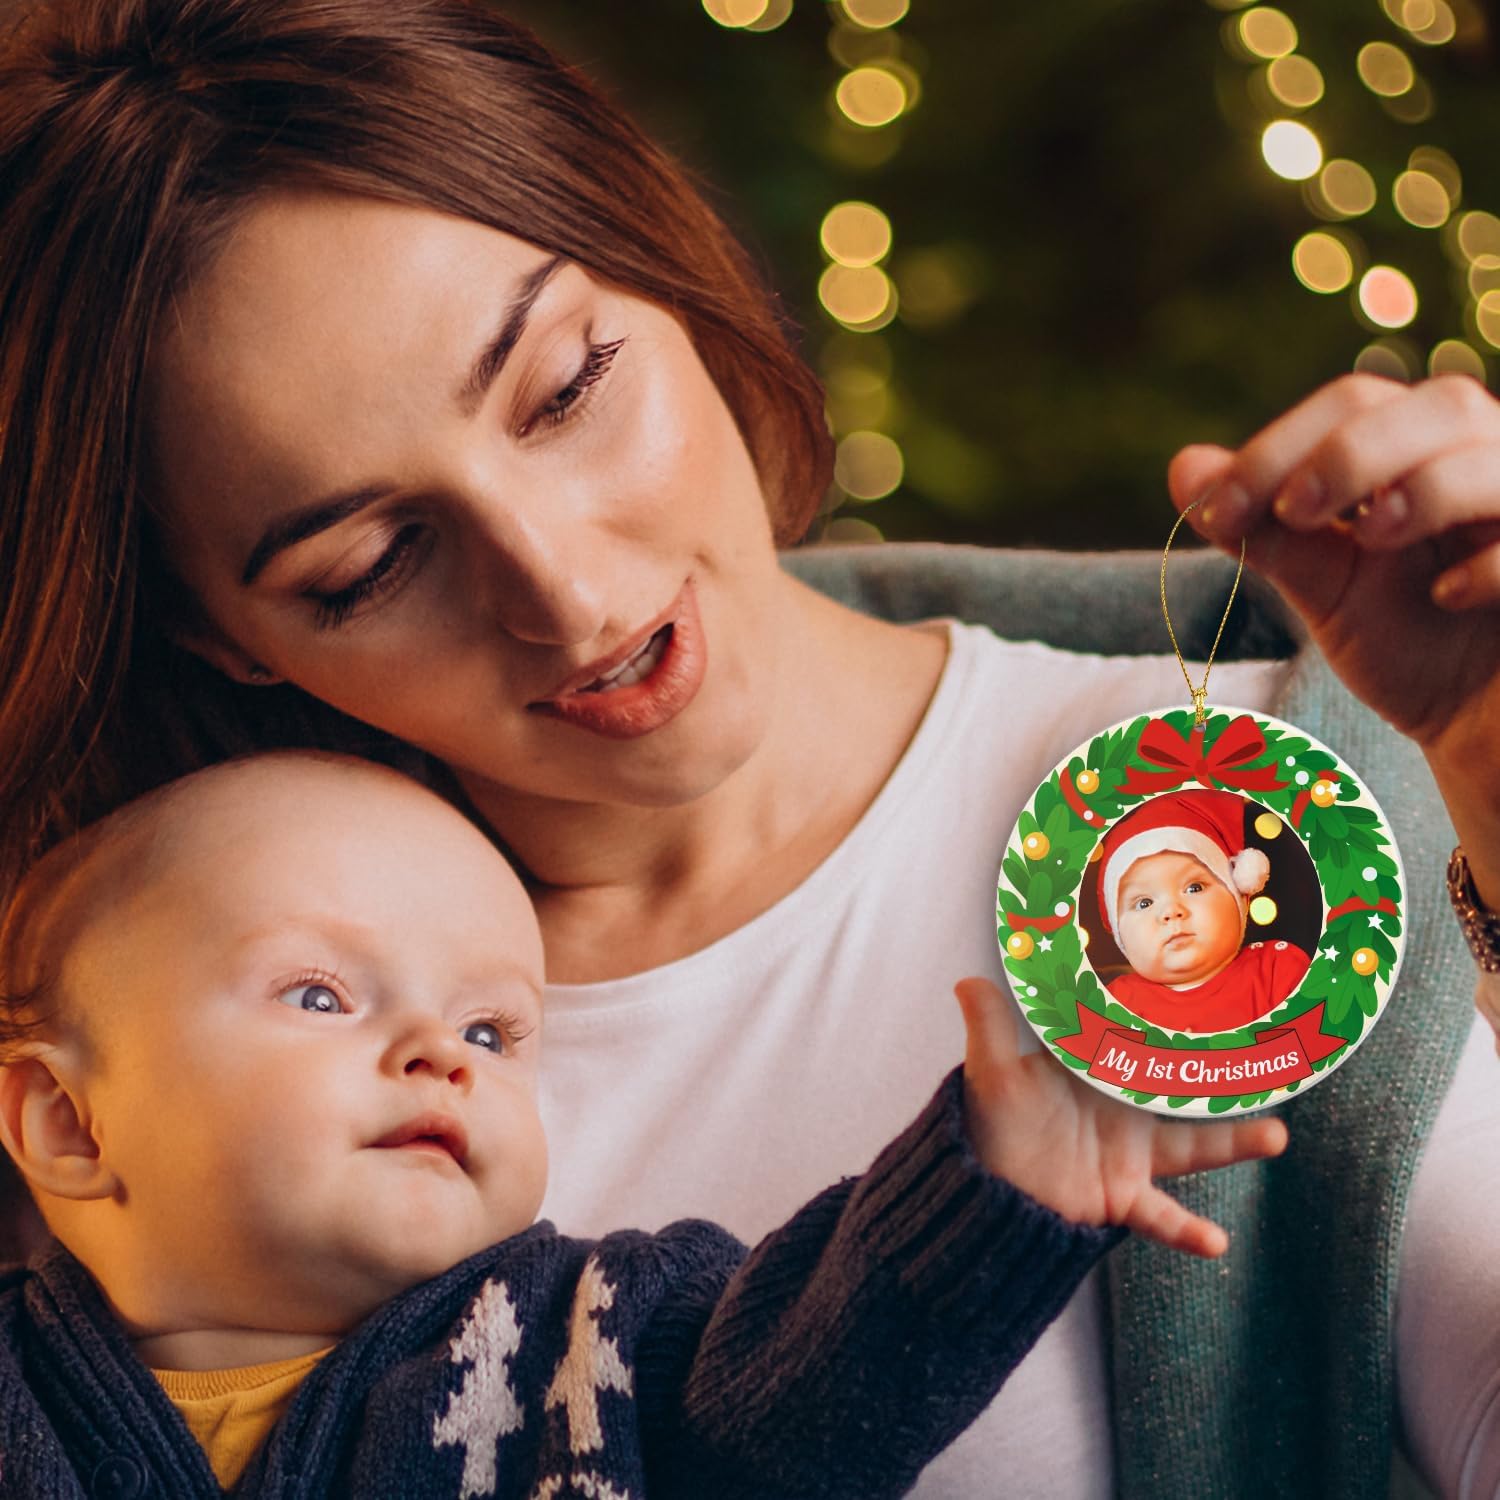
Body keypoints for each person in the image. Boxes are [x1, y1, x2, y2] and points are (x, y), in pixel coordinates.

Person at [0, 1, 1497, 1495]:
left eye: (568, 389)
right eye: (370, 564)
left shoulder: (1253, 812)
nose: (571, 595)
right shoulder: (150, 1049)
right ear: (221, 636)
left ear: (660, 258)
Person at [0, 751, 1286, 1497]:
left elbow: (817, 1391)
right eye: (320, 992)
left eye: (494, 1032)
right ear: (68, 1120)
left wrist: (993, 1188)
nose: (439, 1053)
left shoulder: (595, 1330)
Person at [1097, 788, 1310, 1031]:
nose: (1171, 912)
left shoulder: (1275, 971)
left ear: (1238, 894)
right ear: (1118, 933)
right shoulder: (1117, 1004)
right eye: (1144, 903)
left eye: (1194, 888)